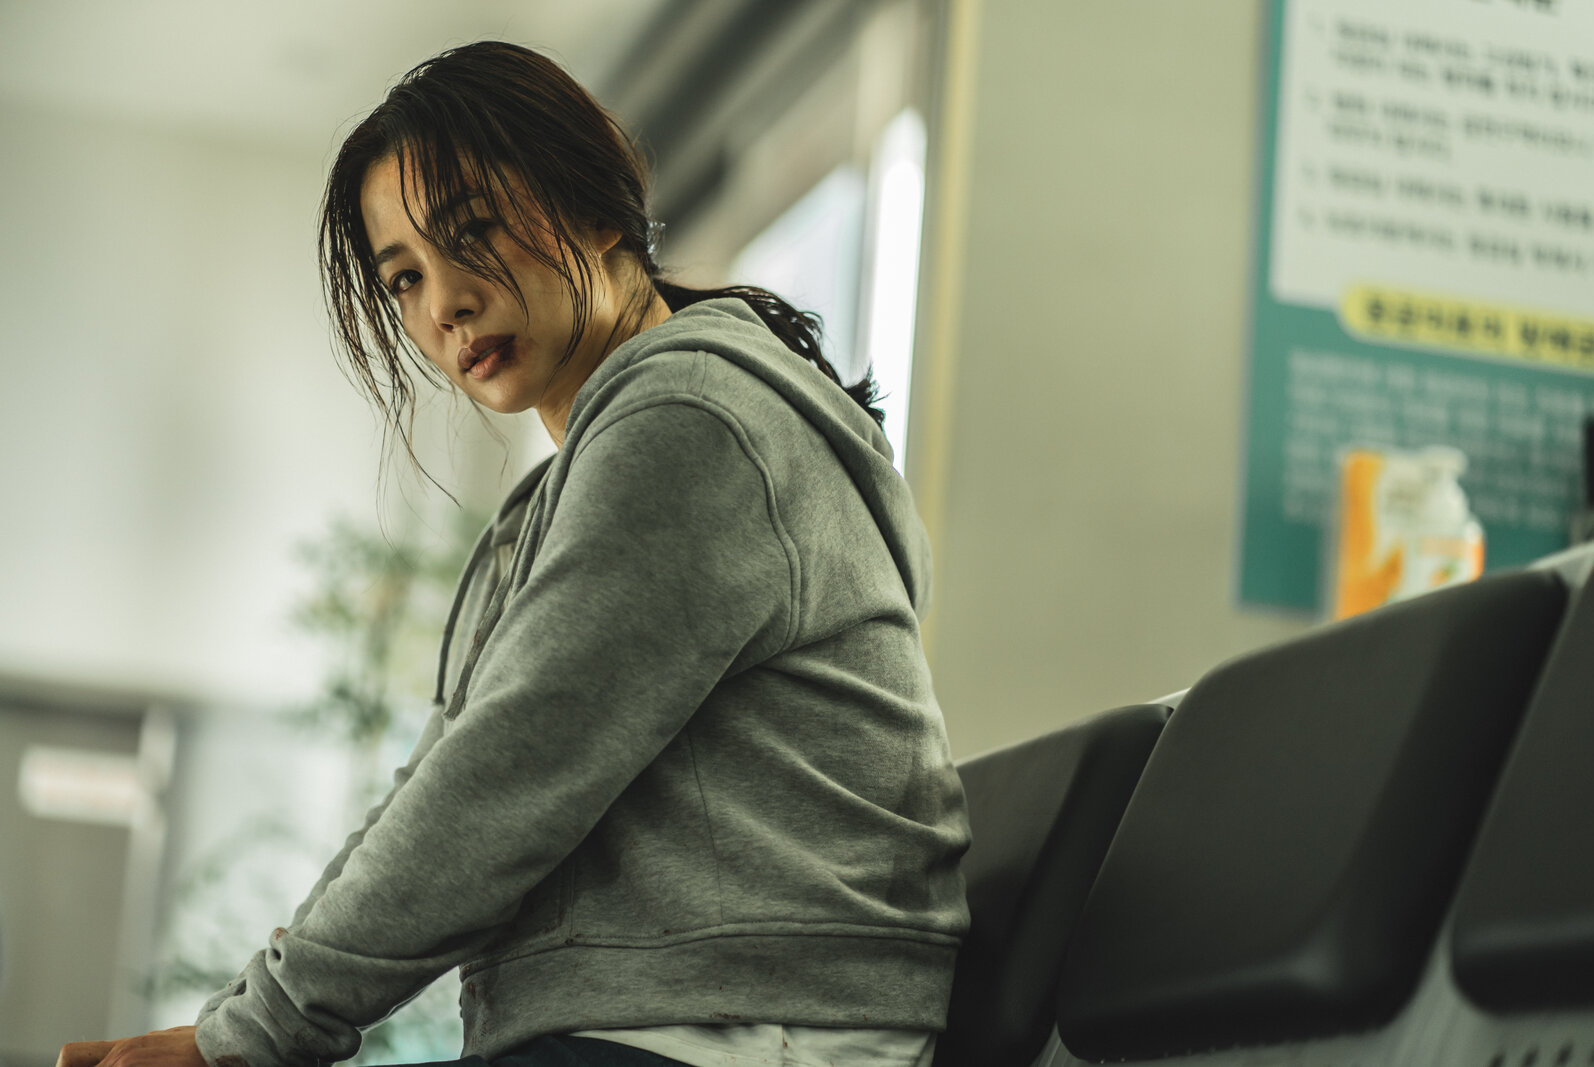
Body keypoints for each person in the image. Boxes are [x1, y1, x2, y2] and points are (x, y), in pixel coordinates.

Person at [57, 41, 969, 1067]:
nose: (442, 302)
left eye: (473, 233)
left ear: (593, 202)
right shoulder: (561, 495)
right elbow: (436, 780)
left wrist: (247, 1040)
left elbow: (502, 778)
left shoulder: (694, 423)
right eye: (404, 277)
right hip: (667, 1014)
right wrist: (237, 1023)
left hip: (748, 1026)